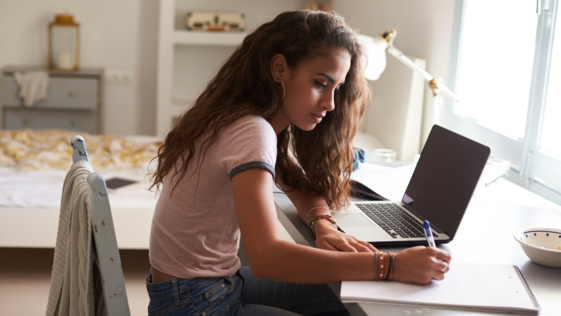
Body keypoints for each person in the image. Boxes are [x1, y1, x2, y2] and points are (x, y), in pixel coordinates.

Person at [147, 9, 451, 316]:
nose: (331, 104)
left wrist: (323, 223)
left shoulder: (244, 117)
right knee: (360, 293)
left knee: (347, 295)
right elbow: (267, 258)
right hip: (194, 303)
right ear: (279, 68)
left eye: (337, 88)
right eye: (321, 83)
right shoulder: (253, 131)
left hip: (203, 288)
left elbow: (295, 183)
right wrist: (389, 265)